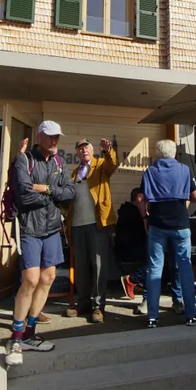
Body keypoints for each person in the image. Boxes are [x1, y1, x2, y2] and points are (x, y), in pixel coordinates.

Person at [5, 121, 75, 367]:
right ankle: (15, 336)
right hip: (29, 228)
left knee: (48, 279)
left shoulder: (59, 162)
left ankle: (29, 333)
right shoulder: (25, 159)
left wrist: (44, 189)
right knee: (31, 280)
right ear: (40, 135)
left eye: (57, 137)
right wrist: (52, 194)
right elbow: (23, 193)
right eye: (50, 136)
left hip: (52, 228)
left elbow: (70, 192)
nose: (55, 141)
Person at [141, 140, 196, 329]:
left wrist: (145, 217)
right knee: (185, 268)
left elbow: (142, 198)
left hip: (157, 224)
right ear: (174, 152)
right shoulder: (184, 169)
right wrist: (185, 205)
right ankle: (191, 315)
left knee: (155, 269)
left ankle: (152, 317)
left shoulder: (150, 171)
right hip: (180, 223)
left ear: (157, 153)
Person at [66, 138, 118, 322]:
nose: (83, 150)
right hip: (77, 226)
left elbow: (113, 165)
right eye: (80, 148)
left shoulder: (102, 165)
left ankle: (98, 307)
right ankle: (83, 303)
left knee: (98, 266)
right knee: (80, 267)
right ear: (77, 152)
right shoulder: (73, 174)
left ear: (92, 149)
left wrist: (108, 151)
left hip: (98, 223)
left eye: (86, 147)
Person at [115, 187, 147, 301]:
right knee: (155, 259)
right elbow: (145, 234)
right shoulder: (135, 214)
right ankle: (132, 280)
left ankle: (138, 283)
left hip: (121, 253)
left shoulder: (125, 211)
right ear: (138, 199)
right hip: (130, 254)